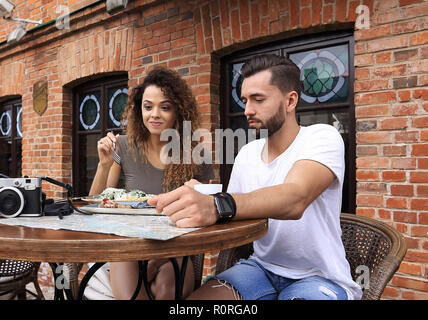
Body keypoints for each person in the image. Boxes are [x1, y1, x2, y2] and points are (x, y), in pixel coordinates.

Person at [148, 54, 363, 300]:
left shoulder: (321, 137)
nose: (247, 110)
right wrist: (206, 198)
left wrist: (218, 204)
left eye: (258, 99)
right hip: (259, 269)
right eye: (245, 100)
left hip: (318, 276)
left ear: (290, 101)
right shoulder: (247, 154)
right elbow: (235, 212)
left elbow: (295, 198)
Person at [88, 67, 214, 300]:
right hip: (128, 245)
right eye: (148, 107)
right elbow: (96, 206)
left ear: (178, 111)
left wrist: (156, 260)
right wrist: (103, 165)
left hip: (175, 246)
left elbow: (204, 216)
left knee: (165, 290)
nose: (154, 114)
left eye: (165, 107)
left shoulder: (197, 154)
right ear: (139, 110)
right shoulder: (123, 146)